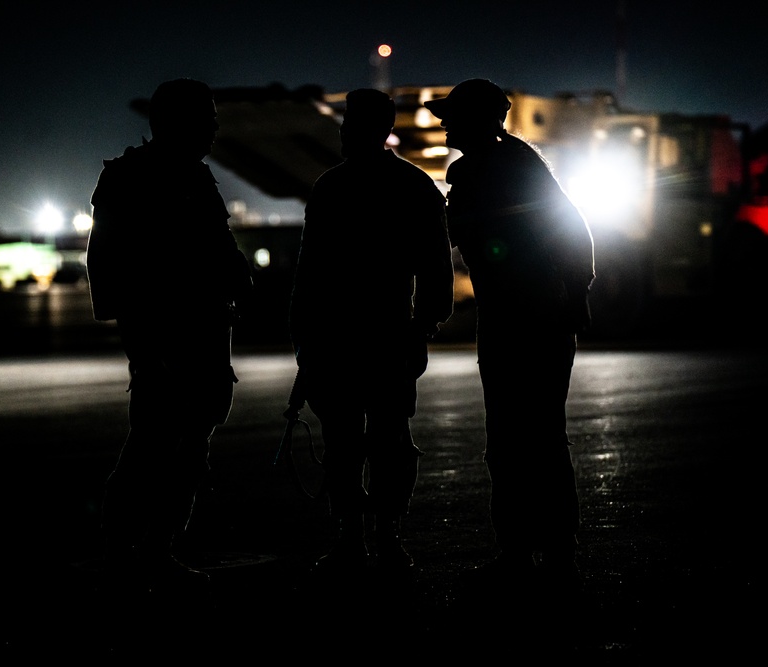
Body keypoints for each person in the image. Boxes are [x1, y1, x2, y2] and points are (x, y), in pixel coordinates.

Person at [424, 79, 595, 590]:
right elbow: (574, 231)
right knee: (540, 437)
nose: (445, 124)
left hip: (517, 323)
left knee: (515, 439)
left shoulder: (482, 172)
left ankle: (525, 553)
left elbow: (459, 236)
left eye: (452, 116)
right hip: (537, 319)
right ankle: (550, 553)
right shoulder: (520, 164)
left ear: (478, 120)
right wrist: (576, 295)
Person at [85, 78, 253, 590]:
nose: (213, 130)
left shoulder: (196, 177)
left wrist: (237, 275)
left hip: (204, 331)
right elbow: (106, 262)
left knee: (191, 445)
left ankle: (159, 548)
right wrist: (141, 340)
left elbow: (219, 244)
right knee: (152, 443)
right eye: (206, 120)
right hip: (161, 333)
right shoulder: (130, 178)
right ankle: (121, 549)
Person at [289, 88, 455, 574]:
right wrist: (424, 325)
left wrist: (304, 339)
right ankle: (382, 538)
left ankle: (359, 539)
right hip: (383, 339)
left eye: (349, 125)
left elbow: (310, 273)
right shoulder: (413, 186)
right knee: (383, 443)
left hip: (349, 341)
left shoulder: (332, 187)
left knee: (353, 444)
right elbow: (436, 270)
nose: (342, 133)